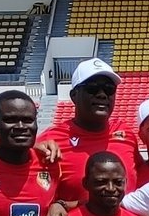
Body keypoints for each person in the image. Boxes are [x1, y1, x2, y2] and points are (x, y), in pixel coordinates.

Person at [36, 58, 137, 202]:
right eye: (92, 88)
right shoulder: (50, 142)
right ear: (74, 96)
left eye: (109, 89)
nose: (102, 94)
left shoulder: (127, 134)